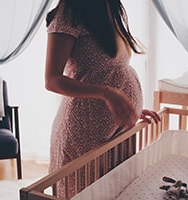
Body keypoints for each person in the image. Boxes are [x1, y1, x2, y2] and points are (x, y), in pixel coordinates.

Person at [45, 0, 160, 198]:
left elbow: (106, 71)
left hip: (116, 131)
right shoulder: (70, 11)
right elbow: (52, 80)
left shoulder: (110, 10)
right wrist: (108, 93)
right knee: (85, 193)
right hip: (84, 134)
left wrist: (129, 109)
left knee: (112, 191)